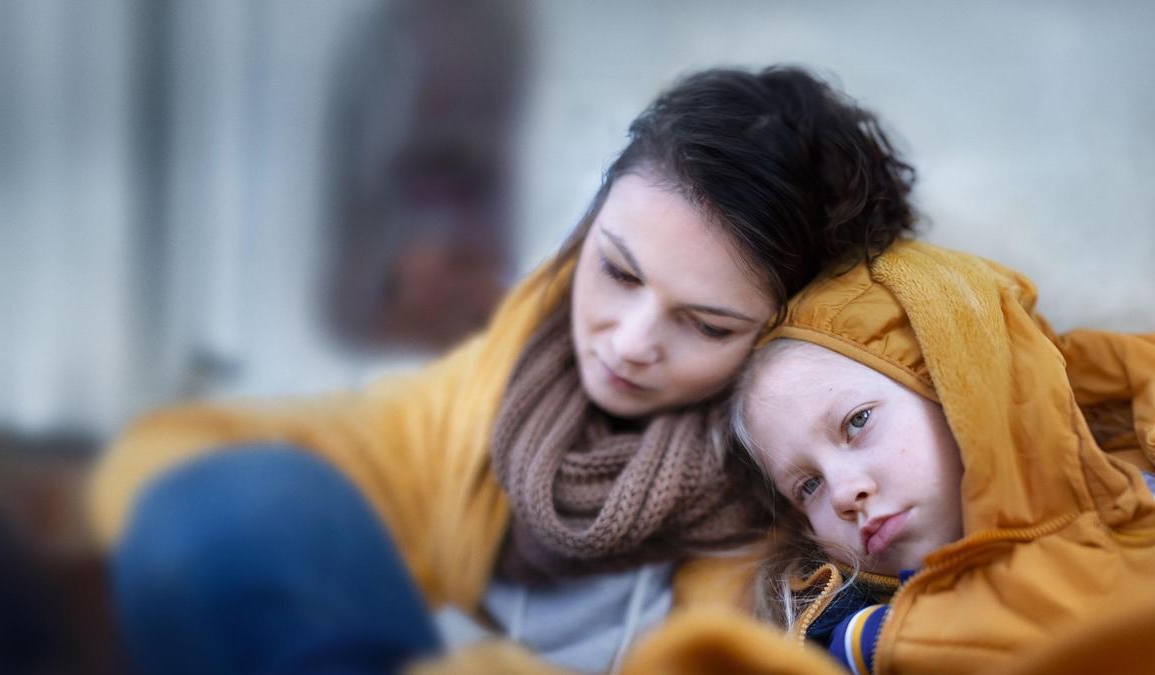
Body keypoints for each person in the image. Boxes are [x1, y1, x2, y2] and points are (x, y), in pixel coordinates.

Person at [88, 65, 919, 675]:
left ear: (786, 334)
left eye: (706, 324)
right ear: (584, 233)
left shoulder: (822, 507)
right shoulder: (498, 383)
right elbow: (190, 458)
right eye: (619, 272)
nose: (628, 342)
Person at [702, 240, 1155, 675]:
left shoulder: (1138, 492)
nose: (843, 493)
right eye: (808, 486)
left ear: (956, 384)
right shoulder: (863, 643)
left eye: (857, 422)